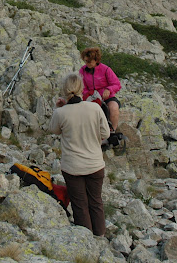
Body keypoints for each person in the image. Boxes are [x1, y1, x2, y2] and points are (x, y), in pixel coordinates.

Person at [50, 72, 110, 236]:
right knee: (96, 201)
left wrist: (59, 108)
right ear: (81, 88)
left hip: (73, 167)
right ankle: (99, 235)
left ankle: (85, 239)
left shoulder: (60, 113)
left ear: (64, 90)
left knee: (79, 204)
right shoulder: (95, 108)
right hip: (95, 164)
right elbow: (106, 133)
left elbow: (54, 129)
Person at [79, 47, 122, 131]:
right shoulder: (83, 70)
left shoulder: (106, 69)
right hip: (90, 97)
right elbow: (81, 86)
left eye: (89, 61)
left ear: (96, 60)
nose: (87, 64)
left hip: (107, 97)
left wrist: (109, 89)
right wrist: (89, 94)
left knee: (114, 108)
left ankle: (112, 130)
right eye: (85, 61)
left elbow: (117, 84)